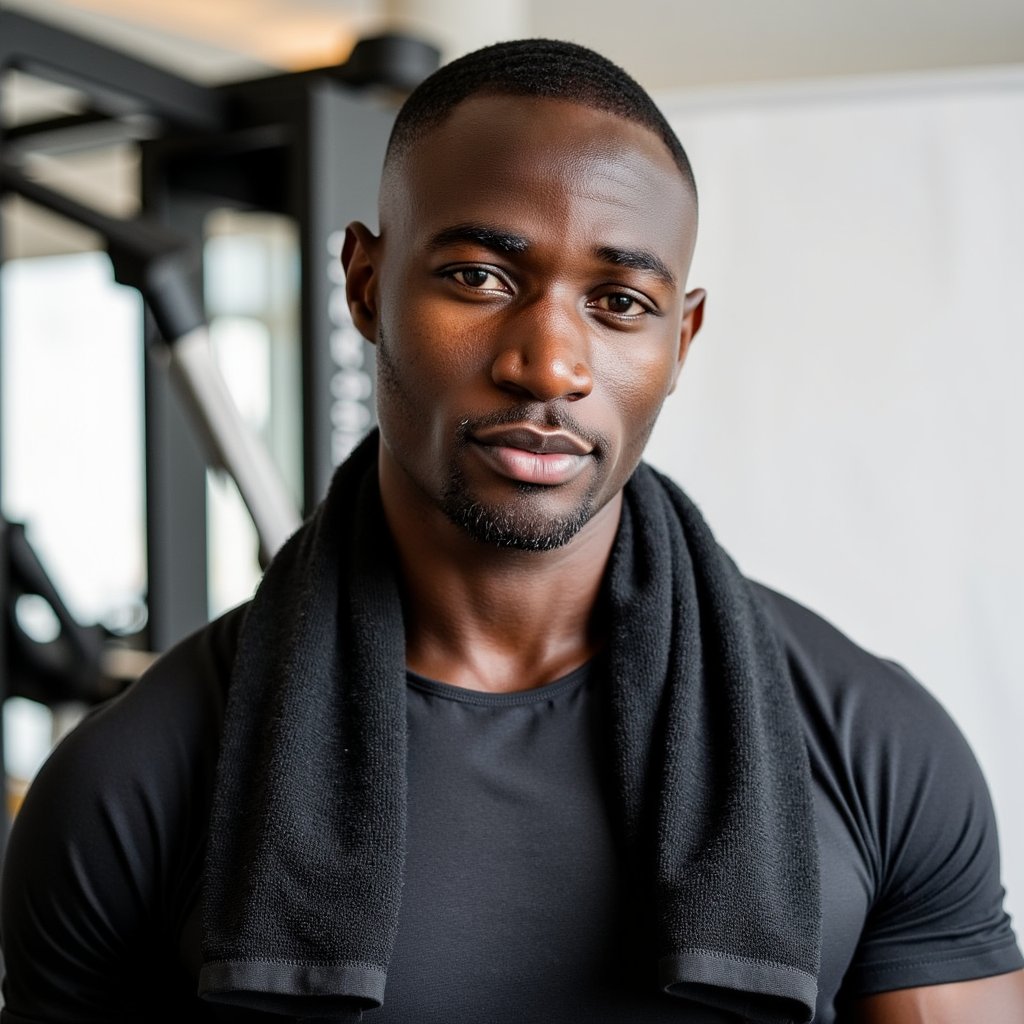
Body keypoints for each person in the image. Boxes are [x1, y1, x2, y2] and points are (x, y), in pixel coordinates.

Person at [1, 39, 1021, 1024]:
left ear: (680, 341)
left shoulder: (874, 746)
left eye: (619, 302)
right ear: (364, 283)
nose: (549, 365)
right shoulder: (132, 781)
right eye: (479, 278)